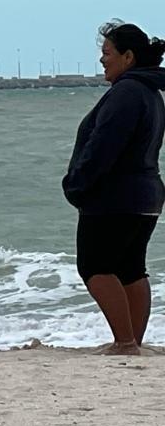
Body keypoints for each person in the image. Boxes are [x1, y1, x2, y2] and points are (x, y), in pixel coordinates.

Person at [63, 21, 165, 355]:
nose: (102, 60)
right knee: (130, 268)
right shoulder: (149, 92)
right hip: (145, 196)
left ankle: (125, 342)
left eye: (107, 53)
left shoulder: (126, 92)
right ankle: (132, 342)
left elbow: (104, 147)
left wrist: (76, 183)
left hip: (115, 198)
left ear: (128, 56)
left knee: (94, 266)